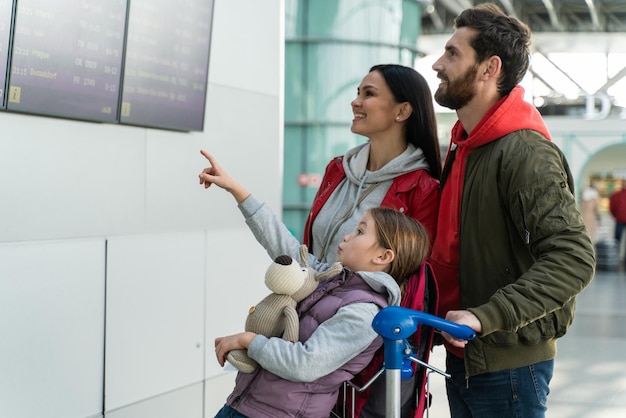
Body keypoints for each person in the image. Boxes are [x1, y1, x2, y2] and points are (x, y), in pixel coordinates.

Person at [428, 3, 595, 418]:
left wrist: (487, 317)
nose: (437, 63)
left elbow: (573, 258)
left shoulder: (523, 152)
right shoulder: (468, 147)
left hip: (508, 363)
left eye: (452, 54)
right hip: (465, 352)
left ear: (489, 68)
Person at [207, 201, 431, 417]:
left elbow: (306, 363)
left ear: (382, 256)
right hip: (244, 403)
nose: (346, 235)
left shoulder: (364, 312)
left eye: (360, 232)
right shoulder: (330, 279)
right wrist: (236, 191)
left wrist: (249, 341)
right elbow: (284, 245)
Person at [304, 64, 441, 265]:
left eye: (369, 94)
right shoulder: (337, 169)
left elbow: (411, 275)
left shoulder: (423, 191)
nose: (355, 102)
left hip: (360, 298)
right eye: (358, 93)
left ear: (402, 111)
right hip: (312, 294)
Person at [609, 179, 626, 266]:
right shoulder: (616, 195)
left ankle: (615, 258)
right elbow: (612, 207)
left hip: (619, 219)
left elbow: (611, 208)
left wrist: (616, 216)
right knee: (617, 241)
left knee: (617, 240)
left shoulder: (616, 195)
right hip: (619, 219)